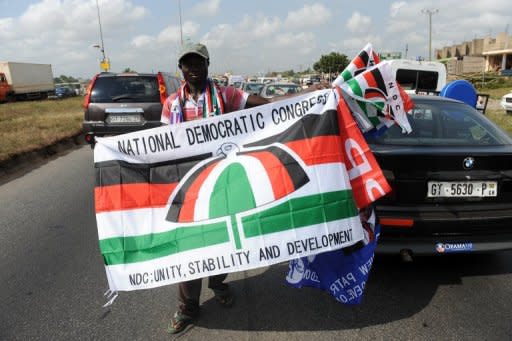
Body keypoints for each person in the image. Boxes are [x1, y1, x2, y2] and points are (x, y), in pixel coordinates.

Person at [161, 41, 327, 334]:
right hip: (190, 183)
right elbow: (164, 145)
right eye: (188, 64)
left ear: (207, 65)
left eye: (198, 63)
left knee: (220, 238)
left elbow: (264, 105)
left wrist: (306, 96)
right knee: (188, 247)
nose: (193, 69)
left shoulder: (225, 95)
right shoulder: (172, 104)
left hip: (223, 181)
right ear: (181, 69)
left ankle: (217, 282)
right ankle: (187, 307)